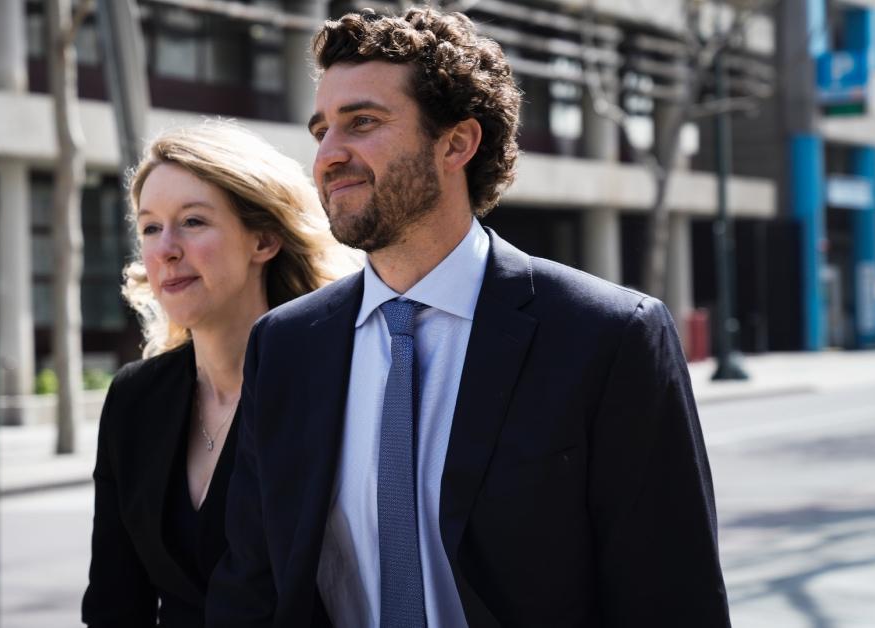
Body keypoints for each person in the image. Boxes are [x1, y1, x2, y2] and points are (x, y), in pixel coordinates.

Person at [207, 7, 730, 627]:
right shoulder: (286, 345)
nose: (328, 155)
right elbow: (251, 586)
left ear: (456, 142)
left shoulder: (608, 337)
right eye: (321, 130)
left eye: (362, 123)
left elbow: (671, 597)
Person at [82, 122, 352, 627]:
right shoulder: (135, 397)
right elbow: (114, 603)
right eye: (150, 227)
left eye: (193, 222)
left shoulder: (333, 384)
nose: (165, 249)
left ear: (265, 240)